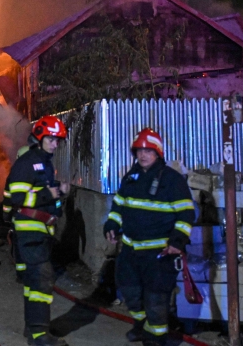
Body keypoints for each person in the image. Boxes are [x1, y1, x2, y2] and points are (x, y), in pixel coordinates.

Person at [104, 128, 194, 345]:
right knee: (130, 292)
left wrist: (177, 242)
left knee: (156, 300)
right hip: (130, 251)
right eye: (139, 151)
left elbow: (186, 214)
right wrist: (112, 223)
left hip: (159, 253)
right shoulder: (130, 178)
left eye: (148, 151)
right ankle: (142, 326)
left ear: (158, 153)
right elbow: (118, 206)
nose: (142, 155)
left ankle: (155, 338)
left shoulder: (173, 180)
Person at [6, 115, 70, 346]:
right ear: (40, 137)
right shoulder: (28, 162)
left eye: (57, 140)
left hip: (41, 229)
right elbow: (17, 197)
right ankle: (39, 336)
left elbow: (43, 194)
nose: (55, 144)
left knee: (34, 281)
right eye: (51, 139)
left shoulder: (44, 162)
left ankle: (31, 328)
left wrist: (58, 196)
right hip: (30, 229)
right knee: (42, 280)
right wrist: (50, 194)